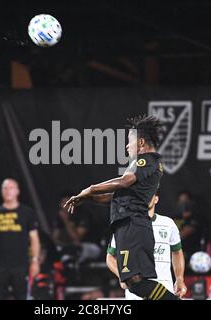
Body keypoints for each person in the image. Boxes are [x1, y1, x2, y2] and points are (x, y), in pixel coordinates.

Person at [64, 115, 177, 300]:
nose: (126, 146)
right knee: (134, 283)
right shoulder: (143, 166)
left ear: (141, 142)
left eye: (129, 141)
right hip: (127, 225)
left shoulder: (147, 160)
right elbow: (116, 197)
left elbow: (124, 182)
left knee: (137, 282)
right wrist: (88, 198)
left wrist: (91, 188)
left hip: (134, 225)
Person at [106, 190, 187, 299]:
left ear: (156, 199)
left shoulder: (168, 224)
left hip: (163, 287)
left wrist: (179, 279)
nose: (144, 198)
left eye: (148, 195)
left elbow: (177, 252)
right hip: (136, 289)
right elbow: (110, 257)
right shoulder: (125, 224)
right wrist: (122, 276)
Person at [0, 179, 41, 300]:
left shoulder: (27, 212)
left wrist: (35, 260)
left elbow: (34, 239)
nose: (8, 191)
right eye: (5, 188)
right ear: (1, 191)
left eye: (11, 188)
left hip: (20, 265)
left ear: (17, 191)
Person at [53, 193, 101, 264]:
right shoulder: (60, 217)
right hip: (70, 247)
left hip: (91, 246)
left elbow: (77, 239)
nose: (66, 205)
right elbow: (54, 239)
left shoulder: (81, 214)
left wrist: (66, 221)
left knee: (76, 251)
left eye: (69, 202)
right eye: (64, 203)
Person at [173, 191, 204, 259]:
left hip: (192, 254)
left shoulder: (196, 218)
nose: (183, 204)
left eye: (186, 201)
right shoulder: (174, 218)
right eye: (181, 201)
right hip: (176, 253)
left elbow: (184, 233)